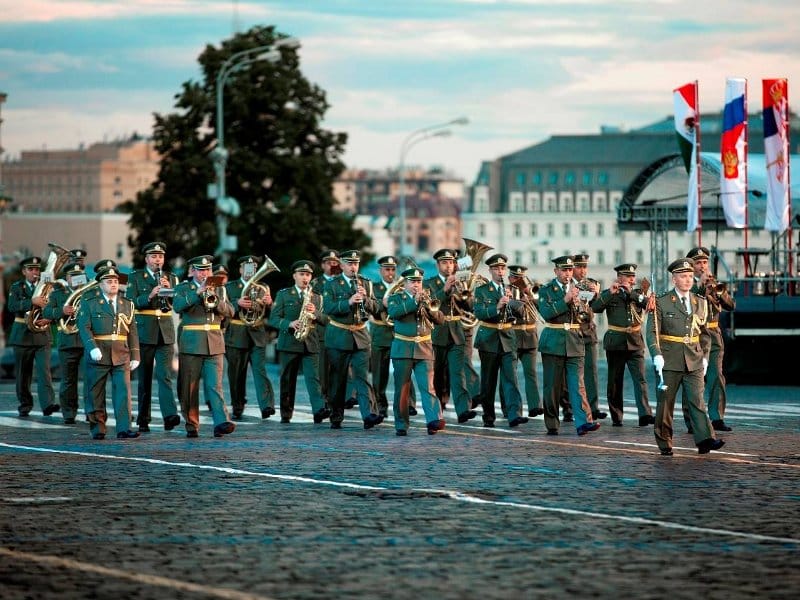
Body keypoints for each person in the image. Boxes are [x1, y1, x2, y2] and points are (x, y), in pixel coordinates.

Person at [646, 258, 725, 456]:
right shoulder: (662, 301)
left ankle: (705, 439)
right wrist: (656, 354)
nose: (688, 280)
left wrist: (705, 356)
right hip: (669, 359)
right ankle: (664, 442)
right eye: (683, 276)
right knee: (666, 404)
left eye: (690, 276)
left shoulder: (700, 302)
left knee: (697, 400)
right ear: (674, 279)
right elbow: (652, 333)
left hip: (694, 359)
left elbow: (705, 334)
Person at [173, 255, 236, 438]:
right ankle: (192, 424)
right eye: (200, 270)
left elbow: (231, 311)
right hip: (192, 343)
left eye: (207, 270)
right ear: (192, 271)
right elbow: (177, 306)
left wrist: (217, 302)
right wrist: (197, 293)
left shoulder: (220, 288)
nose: (205, 274)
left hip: (215, 342)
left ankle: (221, 422)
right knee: (189, 388)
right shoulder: (183, 288)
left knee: (215, 386)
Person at [76, 265, 141, 440]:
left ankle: (124, 428)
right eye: (109, 281)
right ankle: (98, 427)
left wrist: (135, 354)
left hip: (121, 353)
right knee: (96, 392)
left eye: (115, 281)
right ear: (100, 284)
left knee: (123, 392)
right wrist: (92, 347)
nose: (113, 284)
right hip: (99, 351)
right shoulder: (90, 302)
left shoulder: (127, 304)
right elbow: (84, 327)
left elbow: (132, 331)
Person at [321, 249, 384, 430]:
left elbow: (377, 308)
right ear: (341, 265)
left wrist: (365, 299)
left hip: (360, 336)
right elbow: (328, 308)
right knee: (338, 379)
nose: (353, 267)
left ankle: (369, 414)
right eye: (349, 263)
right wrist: (348, 302)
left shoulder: (366, 283)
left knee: (362, 377)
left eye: (355, 263)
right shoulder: (332, 284)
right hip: (338, 336)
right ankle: (336, 415)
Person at [538, 256, 599, 436]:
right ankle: (552, 423)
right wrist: (565, 300)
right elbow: (546, 313)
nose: (568, 273)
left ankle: (584, 422)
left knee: (578, 384)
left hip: (575, 340)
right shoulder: (546, 290)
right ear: (556, 271)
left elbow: (587, 317)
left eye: (570, 270)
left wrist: (590, 299)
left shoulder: (580, 288)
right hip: (553, 341)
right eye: (564, 270)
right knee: (552, 386)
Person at [125, 241, 181, 432]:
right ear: (147, 259)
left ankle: (169, 415)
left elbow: (178, 304)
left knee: (164, 375)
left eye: (160, 256)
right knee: (145, 377)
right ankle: (143, 418)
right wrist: (149, 296)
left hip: (165, 331)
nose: (158, 260)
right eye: (154, 256)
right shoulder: (136, 277)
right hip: (144, 331)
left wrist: (169, 290)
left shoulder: (171, 277)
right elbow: (130, 302)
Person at [590, 263, 655, 426]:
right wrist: (609, 293)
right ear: (619, 278)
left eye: (633, 277)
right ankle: (617, 416)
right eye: (628, 277)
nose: (632, 280)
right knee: (615, 381)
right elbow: (595, 307)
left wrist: (631, 294)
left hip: (635, 342)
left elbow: (648, 304)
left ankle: (645, 414)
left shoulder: (638, 294)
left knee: (640, 379)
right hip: (616, 343)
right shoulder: (610, 293)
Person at [269, 260, 330, 423]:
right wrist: (289, 324)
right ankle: (286, 413)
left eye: (308, 275)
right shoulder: (283, 294)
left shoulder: (317, 297)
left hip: (311, 343)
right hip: (289, 343)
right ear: (294, 276)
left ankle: (318, 410)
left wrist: (315, 313)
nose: (305, 278)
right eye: (302, 274)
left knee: (314, 379)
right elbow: (273, 319)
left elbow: (326, 320)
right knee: (288, 380)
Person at [472, 253, 529, 428]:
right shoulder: (482, 290)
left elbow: (523, 313)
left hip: (508, 338)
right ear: (490, 270)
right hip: (488, 339)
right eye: (496, 268)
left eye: (502, 268)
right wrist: (497, 306)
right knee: (488, 381)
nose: (500, 271)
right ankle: (488, 416)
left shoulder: (513, 289)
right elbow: (479, 313)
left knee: (511, 379)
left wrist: (513, 302)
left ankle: (514, 414)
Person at [387, 267, 445, 436]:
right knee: (402, 389)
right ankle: (401, 424)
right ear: (404, 283)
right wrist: (414, 302)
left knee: (428, 387)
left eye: (418, 282)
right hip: (403, 349)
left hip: (424, 348)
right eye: (412, 282)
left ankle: (433, 420)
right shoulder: (396, 298)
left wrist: (429, 308)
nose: (416, 285)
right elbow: (394, 312)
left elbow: (440, 319)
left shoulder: (428, 298)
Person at [683, 246, 735, 432]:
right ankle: (692, 421)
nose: (703, 266)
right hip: (695, 335)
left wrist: (719, 292)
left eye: (705, 262)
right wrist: (699, 285)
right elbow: (687, 305)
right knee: (693, 379)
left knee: (716, 377)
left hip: (713, 335)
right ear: (691, 266)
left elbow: (731, 305)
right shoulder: (687, 284)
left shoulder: (715, 283)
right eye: (698, 263)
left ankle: (716, 417)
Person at [424, 249, 478, 424]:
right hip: (437, 333)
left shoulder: (461, 281)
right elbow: (429, 305)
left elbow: (471, 306)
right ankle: (437, 408)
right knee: (438, 375)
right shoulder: (429, 283)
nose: (449, 266)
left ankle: (463, 410)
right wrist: (445, 290)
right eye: (444, 263)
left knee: (458, 373)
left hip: (457, 332)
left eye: (451, 263)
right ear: (438, 265)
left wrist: (464, 294)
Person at [224, 255, 276, 420]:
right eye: (246, 267)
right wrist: (236, 303)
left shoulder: (263, 287)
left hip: (257, 334)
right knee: (236, 374)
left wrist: (270, 303)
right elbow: (222, 307)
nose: (250, 271)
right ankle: (237, 405)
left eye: (253, 268)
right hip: (236, 334)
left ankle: (267, 405)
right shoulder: (230, 287)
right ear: (240, 270)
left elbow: (270, 314)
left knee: (260, 371)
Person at [7, 256, 59, 418]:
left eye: (37, 269)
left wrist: (50, 318)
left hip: (42, 334)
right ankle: (25, 405)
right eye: (31, 269)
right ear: (24, 272)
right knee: (23, 374)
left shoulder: (47, 287)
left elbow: (56, 306)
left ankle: (48, 405)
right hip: (22, 335)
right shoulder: (17, 287)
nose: (34, 272)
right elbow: (12, 307)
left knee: (44, 371)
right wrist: (32, 301)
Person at [42, 262, 89, 424]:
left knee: (91, 379)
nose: (76, 279)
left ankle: (91, 412)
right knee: (68, 380)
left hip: (87, 341)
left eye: (79, 276)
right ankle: (69, 412)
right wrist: (61, 311)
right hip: (67, 341)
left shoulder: (88, 293)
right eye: (73, 276)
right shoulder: (58, 294)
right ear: (67, 278)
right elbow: (46, 312)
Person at [570, 254, 607, 421]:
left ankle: (593, 407)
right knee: (571, 373)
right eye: (579, 267)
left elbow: (598, 308)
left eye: (584, 267)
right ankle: (569, 408)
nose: (583, 270)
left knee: (591, 372)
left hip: (588, 332)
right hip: (572, 332)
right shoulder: (567, 286)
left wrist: (597, 294)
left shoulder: (592, 284)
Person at [507, 265, 543, 418]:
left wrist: (531, 296)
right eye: (516, 278)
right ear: (510, 278)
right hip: (513, 336)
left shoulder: (531, 292)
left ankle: (535, 406)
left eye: (521, 278)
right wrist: (519, 301)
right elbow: (510, 307)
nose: (519, 281)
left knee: (531, 373)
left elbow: (543, 309)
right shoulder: (506, 291)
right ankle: (511, 409)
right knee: (511, 376)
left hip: (530, 337)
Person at [371, 255, 400, 418]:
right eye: (387, 269)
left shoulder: (401, 287)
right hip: (380, 334)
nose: (390, 273)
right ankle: (380, 406)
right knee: (379, 375)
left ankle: (407, 405)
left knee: (403, 373)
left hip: (398, 335)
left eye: (393, 269)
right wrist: (383, 302)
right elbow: (371, 307)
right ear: (380, 271)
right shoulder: (374, 288)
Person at [311, 250, 340, 406]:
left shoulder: (344, 281)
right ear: (322, 265)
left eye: (335, 263)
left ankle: (339, 398)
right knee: (323, 369)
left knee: (341, 368)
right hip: (323, 329)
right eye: (329, 263)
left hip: (341, 329)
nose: (333, 266)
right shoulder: (315, 283)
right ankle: (324, 400)